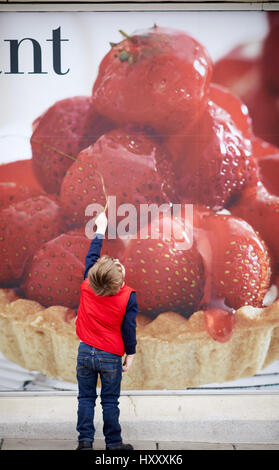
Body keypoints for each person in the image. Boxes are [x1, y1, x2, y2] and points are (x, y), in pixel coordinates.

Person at [75, 212, 138, 451]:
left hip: (84, 353)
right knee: (110, 401)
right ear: (119, 283)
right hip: (110, 356)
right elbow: (129, 330)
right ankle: (113, 444)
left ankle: (85, 443)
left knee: (85, 399)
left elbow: (92, 257)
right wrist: (130, 354)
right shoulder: (127, 297)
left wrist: (100, 230)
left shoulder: (86, 286)